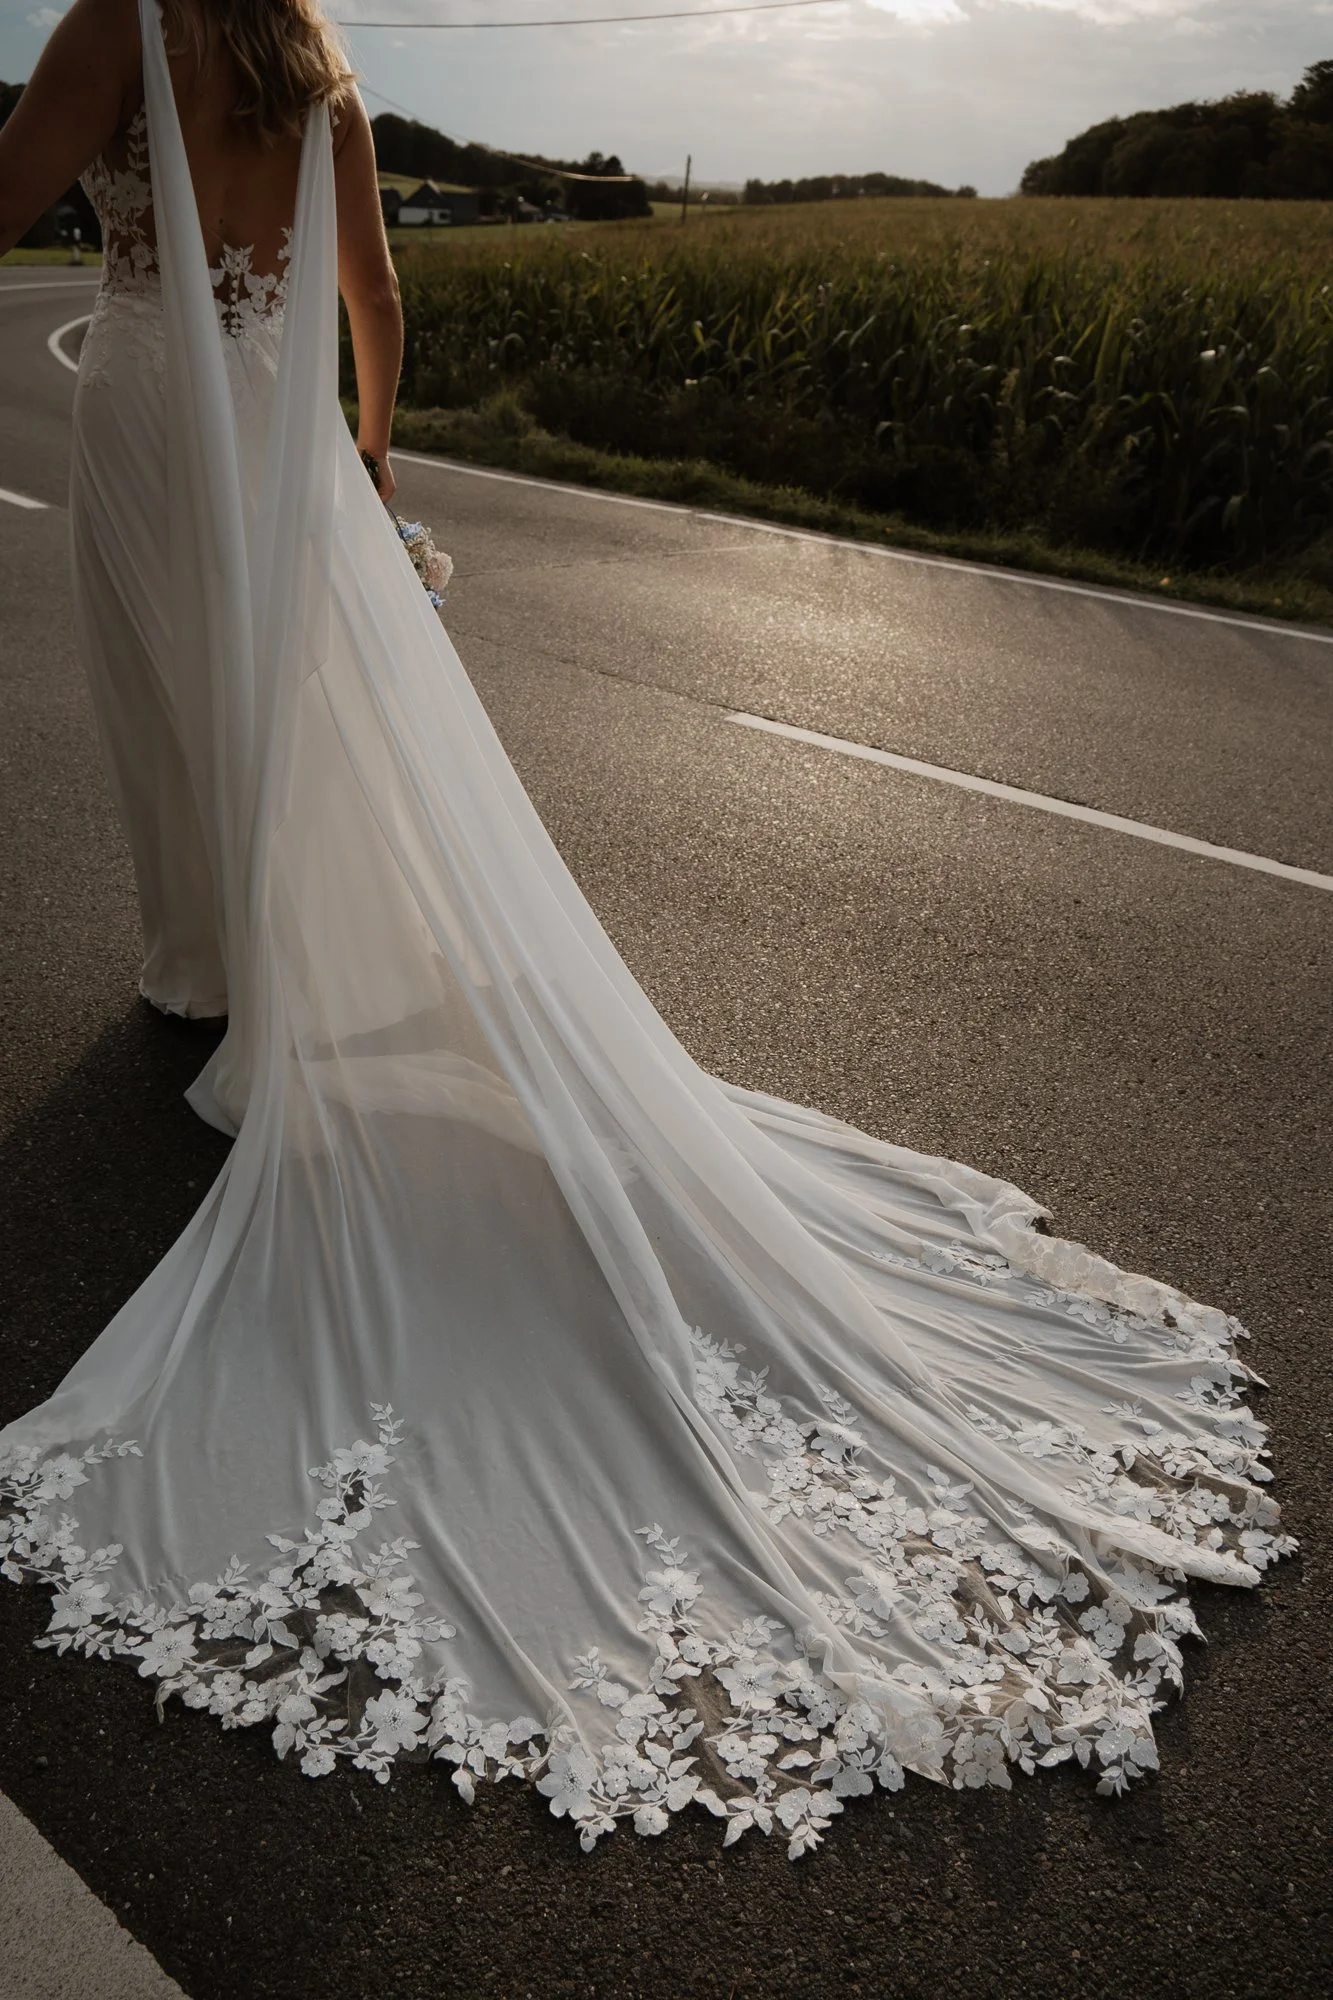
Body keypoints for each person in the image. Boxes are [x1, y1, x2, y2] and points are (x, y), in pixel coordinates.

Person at [0, 0, 1292, 1859]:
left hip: (143, 407)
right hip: (285, 440)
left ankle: (201, 964)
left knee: (167, 691)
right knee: (315, 716)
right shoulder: (318, 74)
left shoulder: (116, 27)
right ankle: (267, 963)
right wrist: (369, 455)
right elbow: (374, 293)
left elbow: (14, 196)